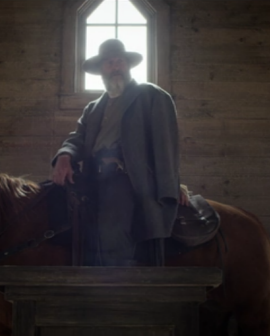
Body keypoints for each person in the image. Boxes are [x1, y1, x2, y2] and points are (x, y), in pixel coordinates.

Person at [51, 39, 183, 266]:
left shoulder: (152, 97)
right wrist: (64, 155)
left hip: (130, 179)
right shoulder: (92, 108)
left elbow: (166, 147)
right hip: (94, 177)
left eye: (119, 61)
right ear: (102, 70)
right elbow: (78, 138)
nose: (115, 66)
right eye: (109, 63)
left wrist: (170, 187)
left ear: (128, 65)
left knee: (111, 229)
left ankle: (118, 287)